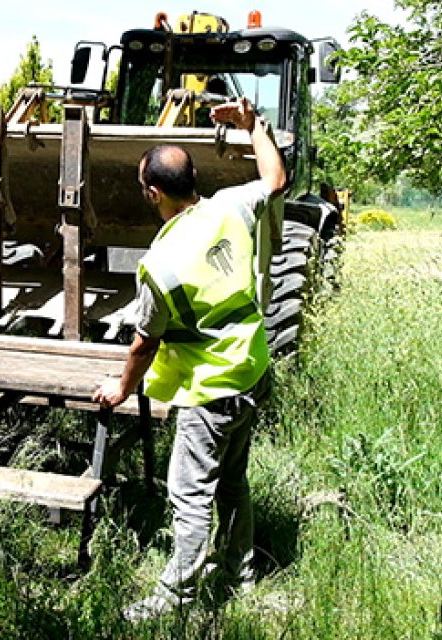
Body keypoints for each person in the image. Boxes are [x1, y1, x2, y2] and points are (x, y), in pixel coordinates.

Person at [92, 97, 287, 620]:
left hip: (211, 389)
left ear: (153, 192)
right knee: (233, 479)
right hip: (253, 368)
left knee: (189, 494)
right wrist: (254, 128)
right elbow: (274, 179)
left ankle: (174, 598)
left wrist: (122, 387)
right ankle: (238, 571)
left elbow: (145, 342)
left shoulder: (160, 265)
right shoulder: (229, 206)